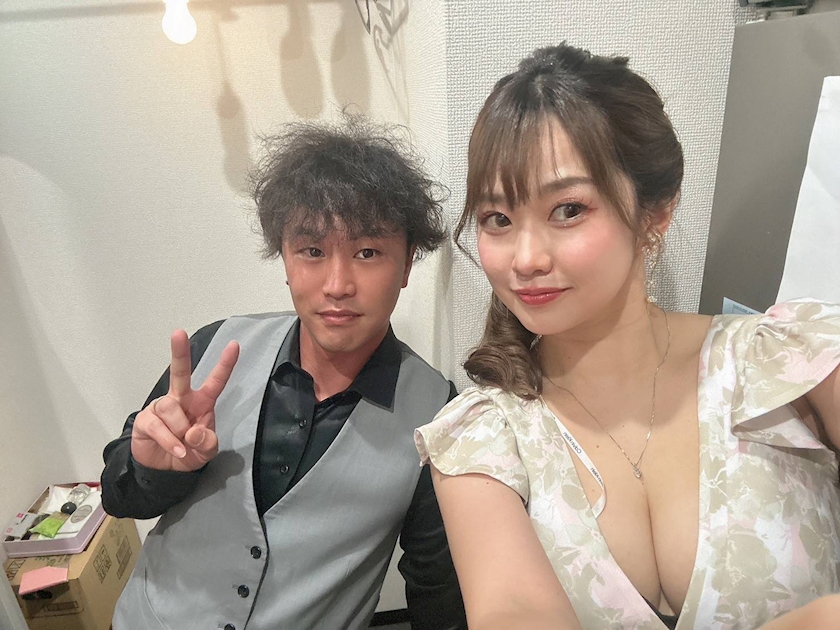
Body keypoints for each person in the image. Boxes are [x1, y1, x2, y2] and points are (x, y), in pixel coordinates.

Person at [415, 43, 840, 630]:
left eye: (568, 210)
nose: (526, 258)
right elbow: (513, 612)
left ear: (654, 213)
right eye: (498, 220)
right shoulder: (483, 436)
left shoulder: (791, 360)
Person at [101, 116, 466, 630]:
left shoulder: (438, 416)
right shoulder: (213, 348)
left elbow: (438, 591)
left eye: (367, 252)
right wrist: (152, 470)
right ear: (286, 260)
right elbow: (118, 498)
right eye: (312, 251)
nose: (337, 284)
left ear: (406, 265)